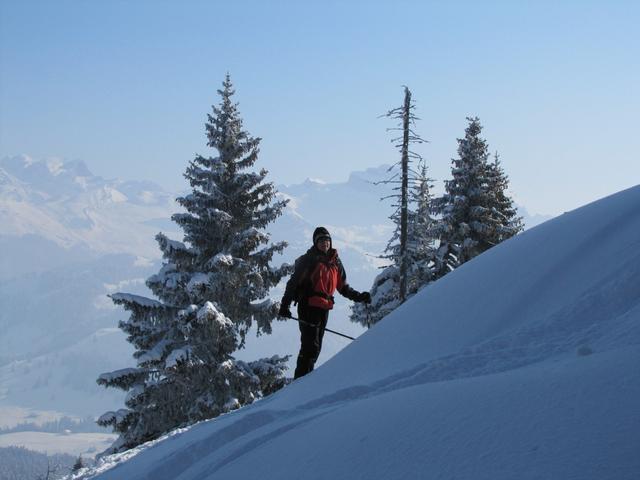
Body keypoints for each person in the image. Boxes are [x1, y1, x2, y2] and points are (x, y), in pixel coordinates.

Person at [279, 226, 371, 379]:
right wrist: (284, 305)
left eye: (327, 240)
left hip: (324, 308)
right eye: (321, 241)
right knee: (310, 347)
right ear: (315, 243)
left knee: (316, 347)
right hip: (308, 305)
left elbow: (343, 287)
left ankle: (303, 381)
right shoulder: (309, 260)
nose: (325, 243)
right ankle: (300, 384)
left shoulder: (335, 262)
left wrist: (360, 297)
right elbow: (293, 283)